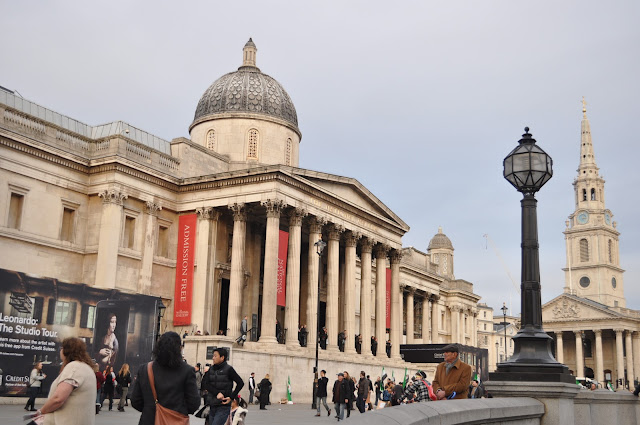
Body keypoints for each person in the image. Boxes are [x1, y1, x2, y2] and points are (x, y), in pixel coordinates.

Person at [131, 331, 200, 425]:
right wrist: (178, 410)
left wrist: (150, 410)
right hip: (175, 421)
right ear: (179, 348)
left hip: (148, 420)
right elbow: (194, 403)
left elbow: (136, 401)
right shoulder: (187, 370)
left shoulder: (145, 369)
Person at [36, 337, 96, 425]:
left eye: (61, 348)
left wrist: (41, 411)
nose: (60, 351)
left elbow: (58, 398)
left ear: (66, 351)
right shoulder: (87, 368)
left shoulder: (74, 367)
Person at [202, 347, 244, 424]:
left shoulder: (229, 369)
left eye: (215, 356)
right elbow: (206, 384)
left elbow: (240, 383)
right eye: (213, 356)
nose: (213, 358)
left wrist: (231, 397)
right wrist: (217, 393)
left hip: (223, 405)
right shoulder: (211, 369)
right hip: (212, 404)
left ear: (222, 357)